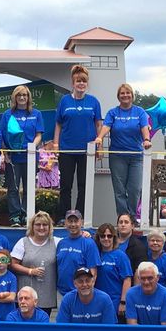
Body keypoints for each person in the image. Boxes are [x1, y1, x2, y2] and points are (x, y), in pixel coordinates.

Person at [96, 82, 151, 219]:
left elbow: (144, 127)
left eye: (128, 93)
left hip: (136, 156)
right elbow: (106, 126)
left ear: (132, 96)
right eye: (122, 93)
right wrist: (100, 138)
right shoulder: (113, 112)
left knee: (134, 189)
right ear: (118, 96)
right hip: (117, 156)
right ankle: (122, 218)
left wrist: (146, 139)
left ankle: (131, 217)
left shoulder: (139, 112)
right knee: (119, 190)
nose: (125, 95)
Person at [55, 64, 103, 218]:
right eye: (78, 81)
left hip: (87, 150)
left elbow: (99, 125)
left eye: (84, 81)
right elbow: (58, 123)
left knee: (84, 184)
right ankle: (64, 216)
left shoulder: (93, 101)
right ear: (73, 83)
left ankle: (79, 215)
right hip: (67, 149)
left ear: (87, 83)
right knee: (66, 185)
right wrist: (56, 144)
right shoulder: (65, 101)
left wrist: (99, 147)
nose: (81, 84)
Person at [2, 85, 44, 226]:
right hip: (13, 157)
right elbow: (2, 136)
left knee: (29, 187)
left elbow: (39, 135)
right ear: (14, 97)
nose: (22, 97)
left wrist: (33, 146)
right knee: (13, 187)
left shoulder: (36, 113)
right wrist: (5, 152)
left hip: (30, 156)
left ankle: (27, 214)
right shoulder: (8, 114)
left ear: (28, 97)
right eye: (19, 95)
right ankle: (15, 216)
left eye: (24, 95)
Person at [10, 211, 58, 312]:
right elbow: (13, 264)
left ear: (50, 227)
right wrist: (30, 271)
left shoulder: (56, 242)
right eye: (38, 224)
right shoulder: (23, 242)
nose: (41, 227)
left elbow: (72, 241)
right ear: (32, 226)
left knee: (42, 324)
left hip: (46, 296)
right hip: (25, 296)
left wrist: (85, 234)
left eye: (45, 224)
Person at [91, 224, 132, 321]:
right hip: (96, 302)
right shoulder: (94, 254)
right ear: (98, 238)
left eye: (109, 236)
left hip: (115, 302)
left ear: (114, 237)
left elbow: (127, 280)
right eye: (102, 236)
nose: (106, 238)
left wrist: (123, 302)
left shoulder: (120, 256)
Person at [55, 210, 100, 297]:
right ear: (65, 223)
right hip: (61, 294)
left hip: (80, 293)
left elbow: (93, 272)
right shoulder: (61, 243)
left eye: (76, 221)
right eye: (70, 221)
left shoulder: (89, 243)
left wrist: (87, 292)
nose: (73, 224)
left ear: (81, 222)